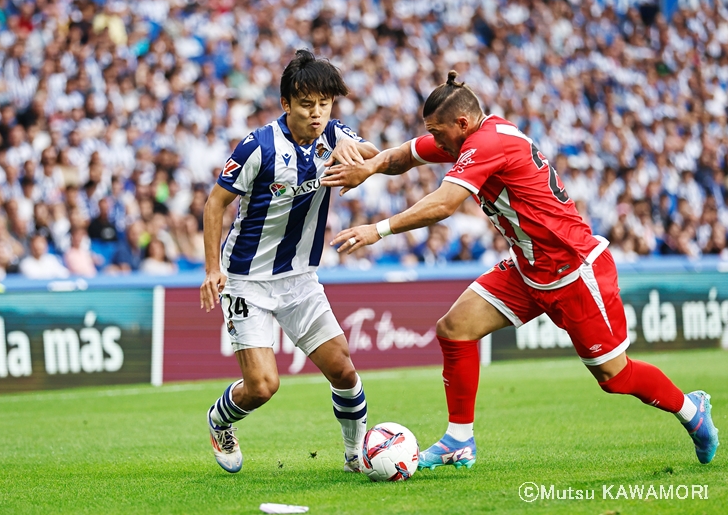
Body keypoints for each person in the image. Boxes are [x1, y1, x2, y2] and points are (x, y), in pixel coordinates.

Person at [325, 72, 720, 470]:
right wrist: (371, 166)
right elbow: (405, 155)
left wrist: (378, 229)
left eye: (436, 131)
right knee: (455, 328)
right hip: (528, 267)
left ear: (461, 124)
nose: (435, 139)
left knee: (614, 377)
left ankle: (692, 410)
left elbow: (444, 204)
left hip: (574, 271)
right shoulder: (470, 138)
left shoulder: (486, 144)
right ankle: (459, 440)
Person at [199, 49, 380, 474]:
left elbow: (372, 153)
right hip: (247, 280)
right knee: (262, 386)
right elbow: (214, 205)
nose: (317, 114)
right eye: (306, 104)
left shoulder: (334, 135)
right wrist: (212, 269)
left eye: (325, 104)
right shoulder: (257, 147)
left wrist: (360, 149)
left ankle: (356, 456)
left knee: (344, 370)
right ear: (285, 104)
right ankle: (220, 421)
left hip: (300, 278)